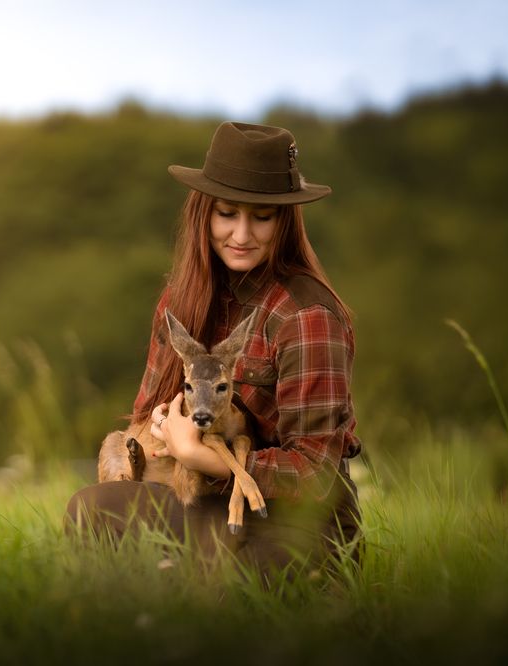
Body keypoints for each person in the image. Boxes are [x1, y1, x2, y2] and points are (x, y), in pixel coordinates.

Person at [65, 121, 363, 576]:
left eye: (261, 217)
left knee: (235, 584)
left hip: (295, 521)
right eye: (227, 213)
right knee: (92, 510)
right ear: (203, 213)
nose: (241, 234)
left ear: (283, 221)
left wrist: (201, 455)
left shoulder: (307, 316)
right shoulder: (181, 298)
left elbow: (315, 470)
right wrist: (162, 430)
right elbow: (146, 411)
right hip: (202, 498)